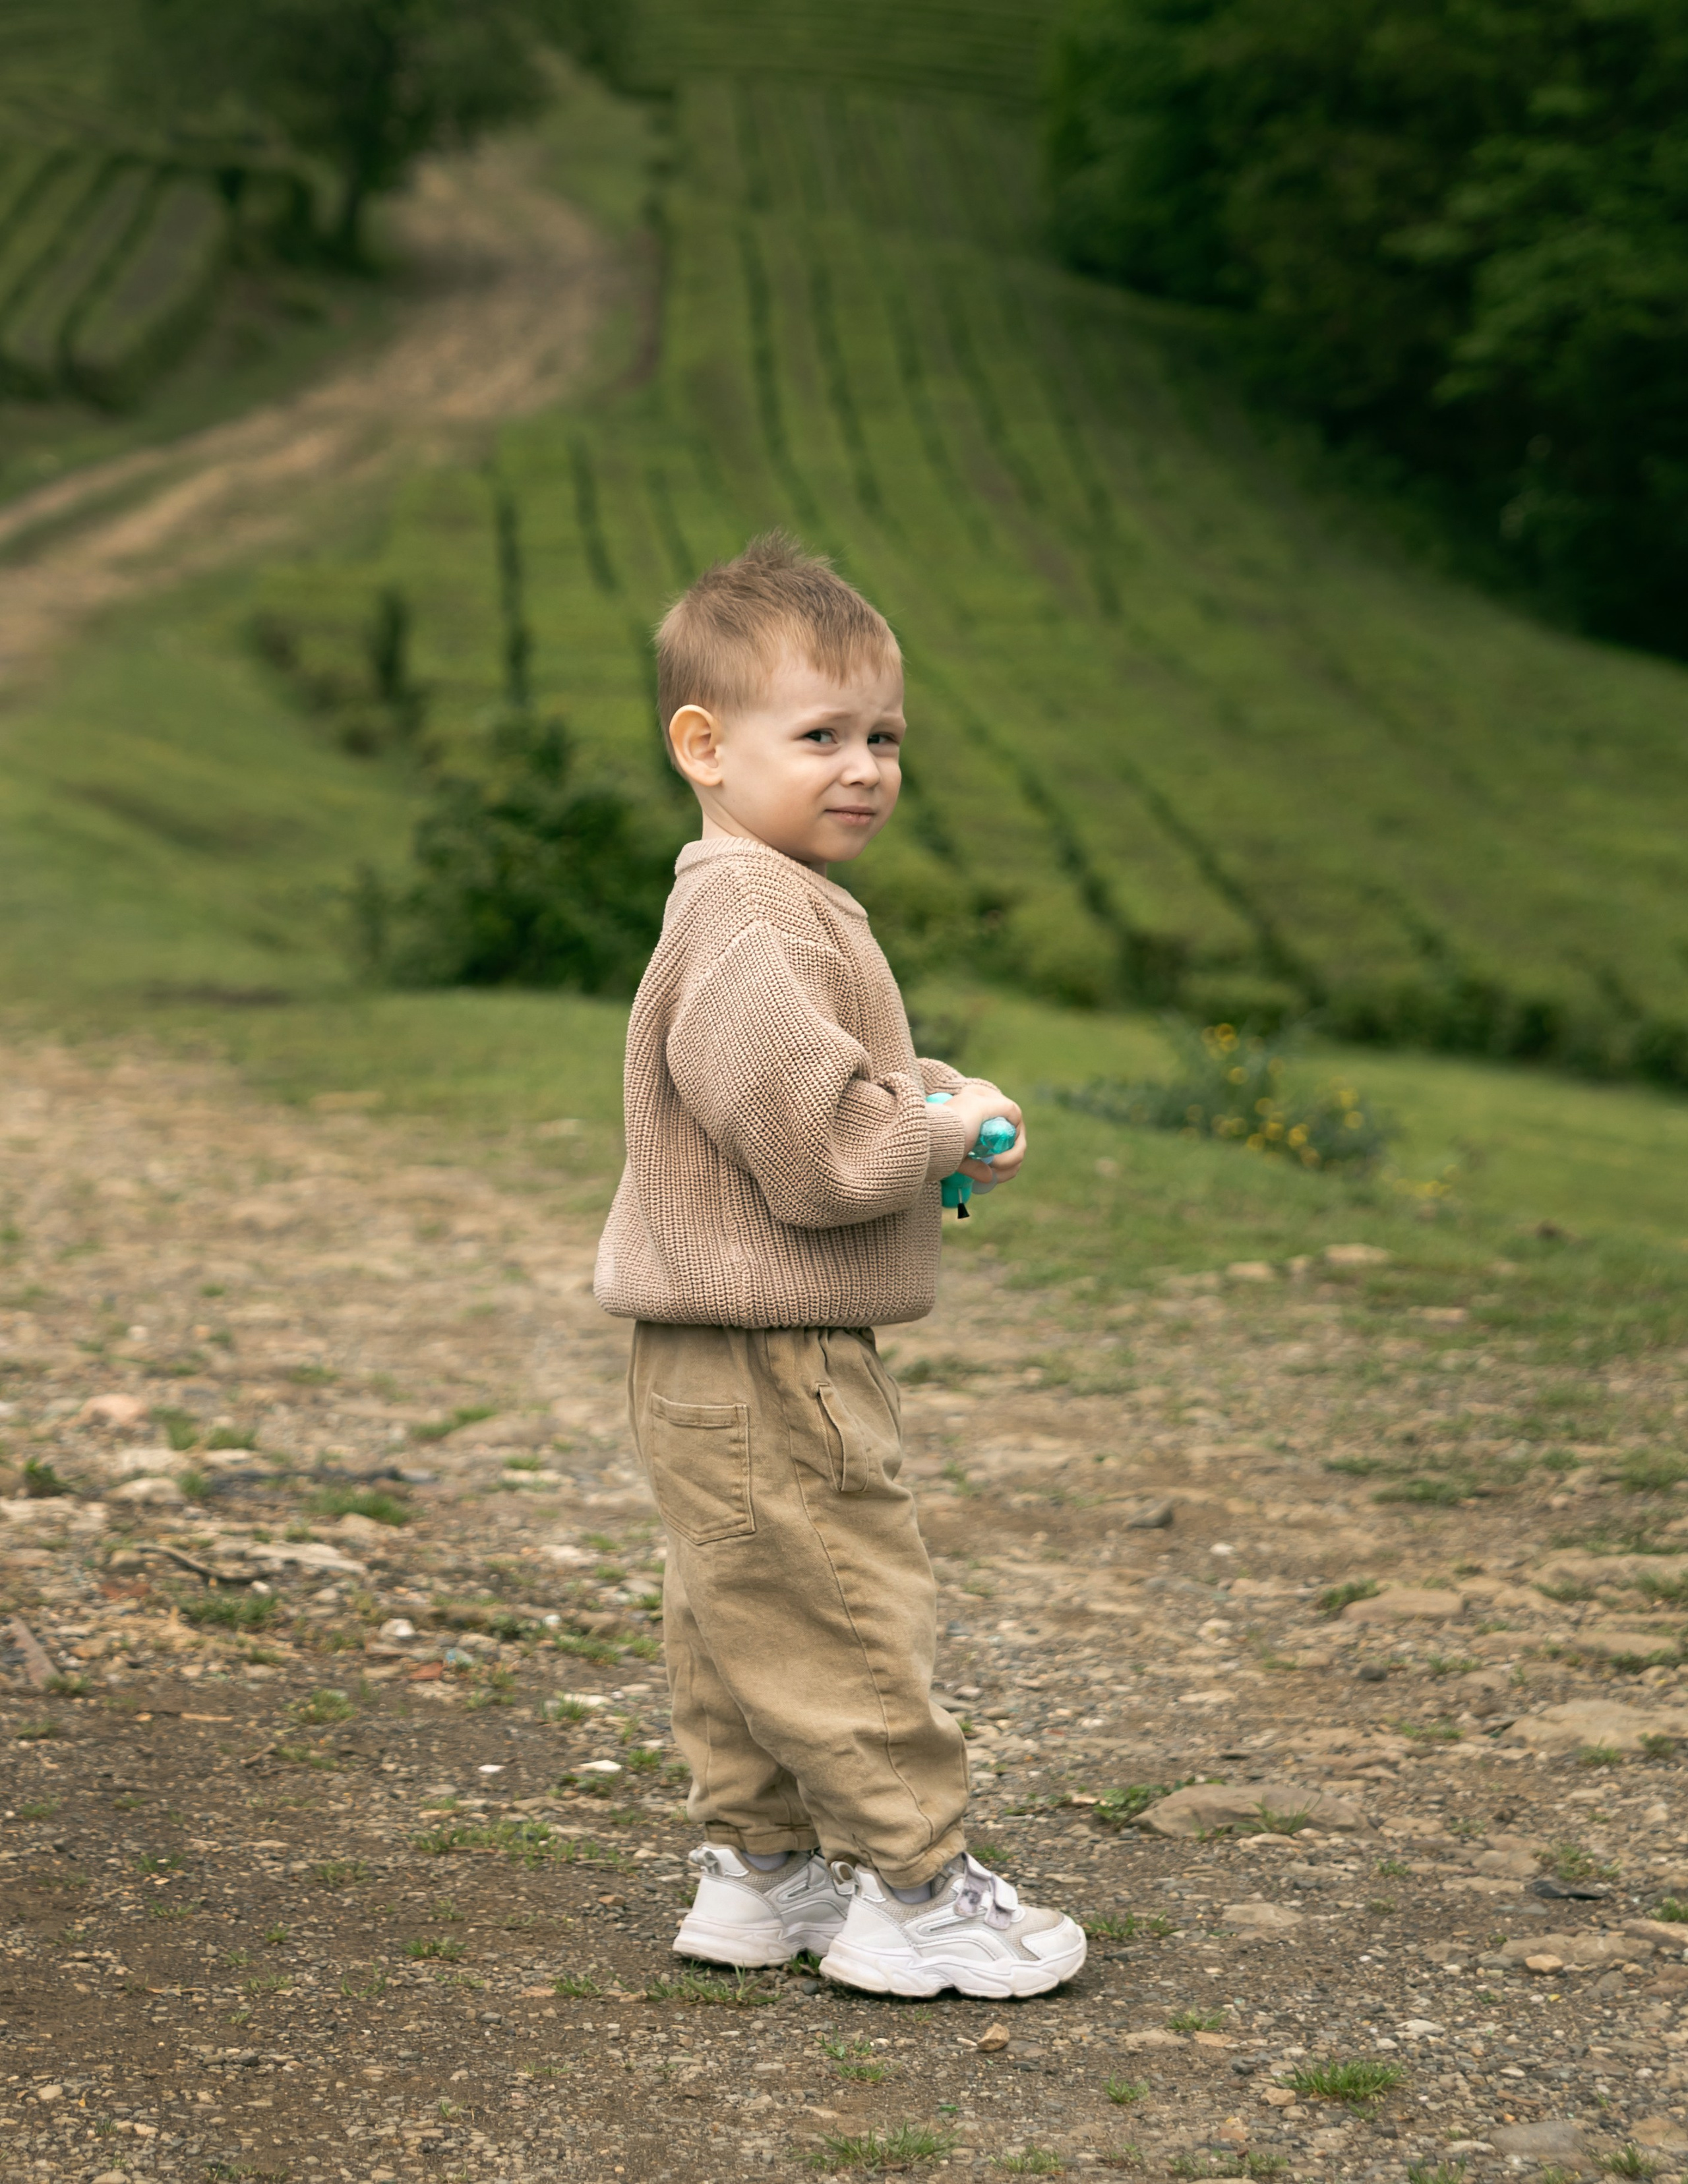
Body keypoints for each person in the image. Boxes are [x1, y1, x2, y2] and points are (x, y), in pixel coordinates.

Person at [592, 532, 1086, 1999]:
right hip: (771, 1344)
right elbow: (814, 1156)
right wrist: (929, 1132)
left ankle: (766, 1872)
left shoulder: (761, 901)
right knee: (840, 1602)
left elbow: (812, 1079)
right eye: (820, 736)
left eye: (882, 737)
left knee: (740, 1603)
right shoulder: (750, 913)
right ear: (703, 744)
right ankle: (919, 1889)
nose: (863, 766)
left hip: (716, 1340)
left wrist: (928, 1094)